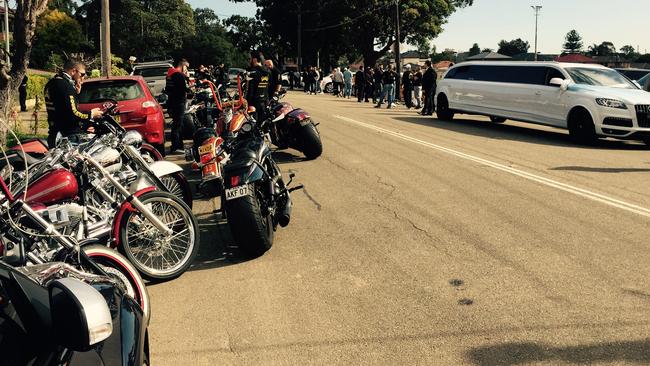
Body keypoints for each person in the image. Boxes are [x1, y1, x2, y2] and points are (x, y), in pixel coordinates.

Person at [44, 59, 102, 148]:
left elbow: (62, 107)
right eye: (82, 74)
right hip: (68, 135)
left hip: (55, 132)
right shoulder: (65, 86)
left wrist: (76, 93)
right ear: (73, 71)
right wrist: (91, 114)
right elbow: (73, 113)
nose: (83, 77)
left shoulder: (52, 82)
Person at [165, 58, 191, 153]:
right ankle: (176, 147)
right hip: (179, 102)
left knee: (177, 124)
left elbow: (169, 89)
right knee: (177, 125)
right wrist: (187, 77)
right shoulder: (178, 75)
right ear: (183, 65)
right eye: (187, 67)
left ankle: (179, 146)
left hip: (172, 102)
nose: (187, 69)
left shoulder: (170, 74)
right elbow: (186, 89)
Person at [246, 50, 271, 122]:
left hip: (253, 104)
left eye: (249, 59)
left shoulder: (251, 72)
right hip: (265, 102)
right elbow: (269, 87)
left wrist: (246, 104)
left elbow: (249, 90)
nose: (249, 61)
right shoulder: (267, 72)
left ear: (255, 60)